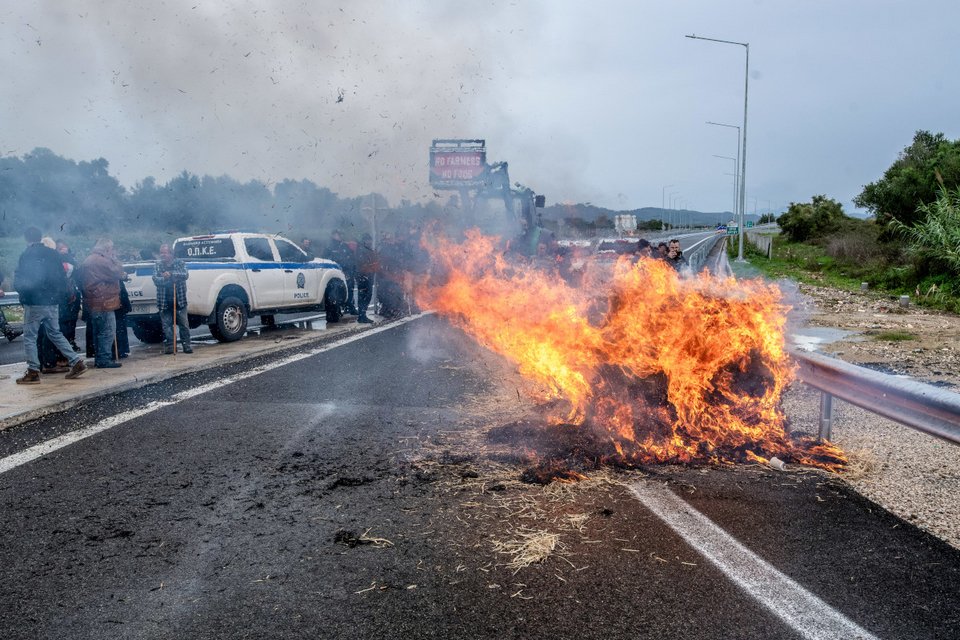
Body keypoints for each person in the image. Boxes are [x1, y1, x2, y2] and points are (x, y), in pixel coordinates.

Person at [12, 227, 87, 384]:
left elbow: (25, 278)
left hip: (35, 302)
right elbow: (61, 276)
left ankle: (32, 371)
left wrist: (23, 292)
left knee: (30, 336)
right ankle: (76, 361)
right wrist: (56, 296)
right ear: (40, 238)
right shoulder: (53, 254)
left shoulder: (27, 254)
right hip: (53, 301)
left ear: (27, 238)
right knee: (55, 333)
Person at [81, 238, 125, 369]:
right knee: (107, 331)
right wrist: (114, 258)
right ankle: (104, 359)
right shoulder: (102, 261)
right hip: (104, 300)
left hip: (93, 300)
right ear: (106, 249)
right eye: (111, 249)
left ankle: (99, 358)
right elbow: (117, 271)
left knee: (98, 331)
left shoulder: (89, 259)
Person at [153, 243, 192, 354]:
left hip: (179, 299)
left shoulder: (180, 263)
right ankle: (171, 346)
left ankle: (186, 345)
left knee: (184, 324)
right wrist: (164, 279)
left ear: (171, 253)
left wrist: (171, 274)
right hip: (164, 301)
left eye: (164, 252)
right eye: (161, 253)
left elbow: (185, 274)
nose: (162, 255)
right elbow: (155, 279)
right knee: (166, 326)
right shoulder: (157, 265)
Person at [325, 230, 358, 314]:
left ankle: (349, 306)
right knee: (337, 292)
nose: (339, 236)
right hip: (337, 272)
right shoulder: (330, 247)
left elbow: (351, 258)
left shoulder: (344, 245)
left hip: (348, 271)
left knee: (349, 290)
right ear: (333, 235)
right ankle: (338, 309)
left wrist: (352, 269)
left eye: (340, 235)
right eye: (337, 235)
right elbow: (327, 259)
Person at [354, 233, 379, 323]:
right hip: (363, 276)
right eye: (368, 240)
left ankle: (362, 315)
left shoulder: (367, 250)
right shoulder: (361, 251)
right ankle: (361, 315)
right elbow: (362, 264)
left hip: (368, 275)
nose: (369, 242)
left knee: (367, 296)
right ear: (364, 241)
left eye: (370, 240)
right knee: (364, 296)